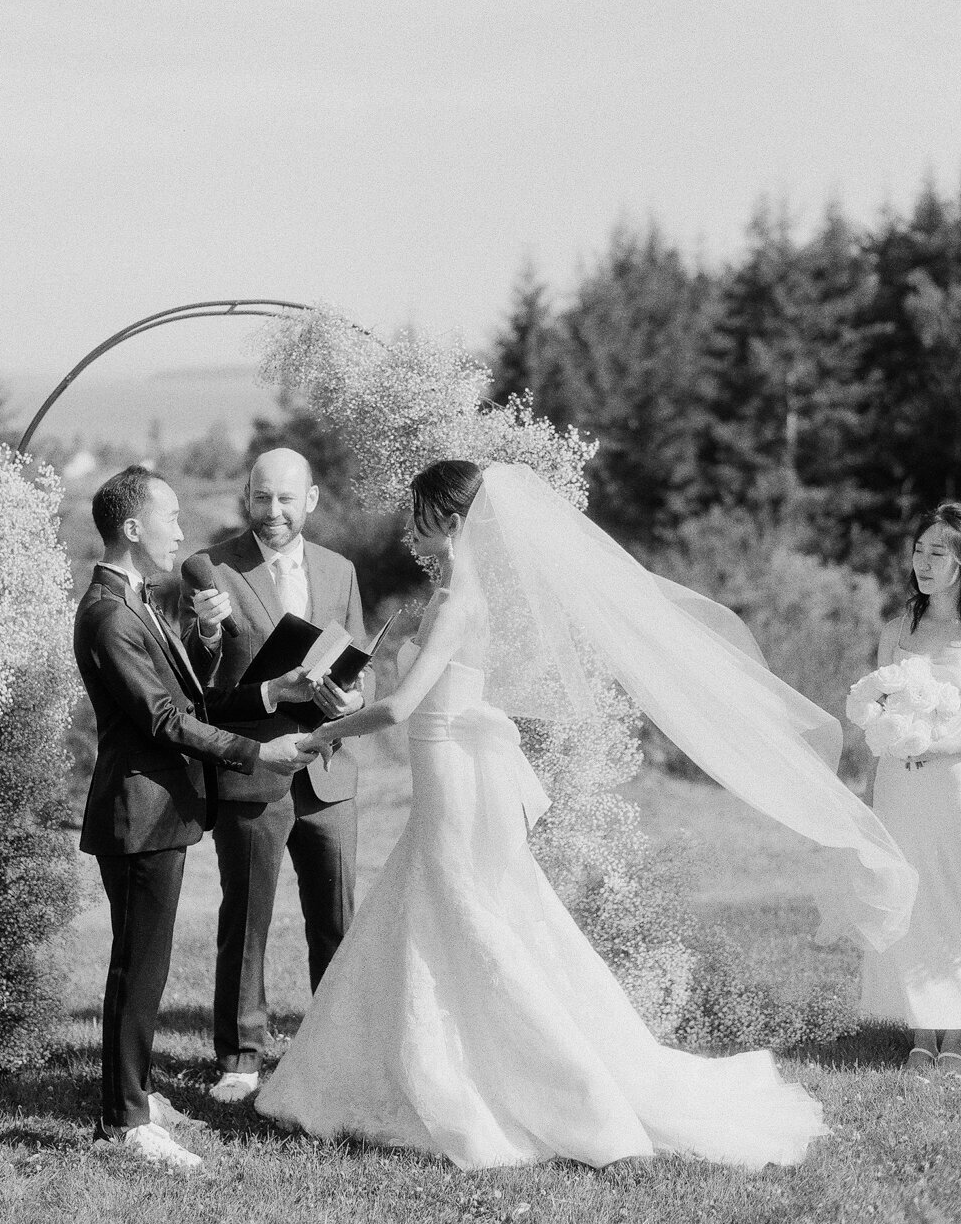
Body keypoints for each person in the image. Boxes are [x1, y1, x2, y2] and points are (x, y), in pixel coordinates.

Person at [255, 459, 916, 1170]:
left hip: (452, 771)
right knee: (456, 910)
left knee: (463, 913)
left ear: (450, 521)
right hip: (454, 770)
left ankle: (543, 1085)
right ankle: (419, 1068)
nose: (409, 527)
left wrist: (319, 736)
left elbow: (402, 708)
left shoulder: (455, 603)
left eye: (419, 514)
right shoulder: (449, 595)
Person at [74, 465, 308, 1169]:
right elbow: (163, 718)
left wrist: (225, 658)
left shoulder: (139, 598)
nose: (182, 528)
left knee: (147, 960)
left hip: (160, 810)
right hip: (137, 810)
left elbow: (189, 695)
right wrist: (255, 757)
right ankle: (124, 1124)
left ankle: (137, 1092)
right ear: (132, 527)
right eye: (170, 515)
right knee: (136, 968)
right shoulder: (110, 612)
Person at [179, 447, 371, 1103]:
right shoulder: (213, 568)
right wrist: (204, 636)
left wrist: (356, 696)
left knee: (336, 921)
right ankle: (240, 1058)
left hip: (329, 771)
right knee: (249, 919)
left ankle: (339, 1047)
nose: (274, 511)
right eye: (262, 497)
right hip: (253, 769)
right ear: (246, 496)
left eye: (287, 498)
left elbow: (361, 659)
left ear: (311, 500)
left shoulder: (340, 570)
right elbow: (196, 682)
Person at [860, 503, 961, 1077]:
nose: (922, 562)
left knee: (955, 899)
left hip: (953, 783)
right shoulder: (897, 631)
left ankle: (958, 1032)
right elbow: (876, 709)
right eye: (919, 551)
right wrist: (889, 741)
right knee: (914, 898)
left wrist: (935, 745)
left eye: (937, 553)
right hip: (900, 785)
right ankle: (923, 1030)